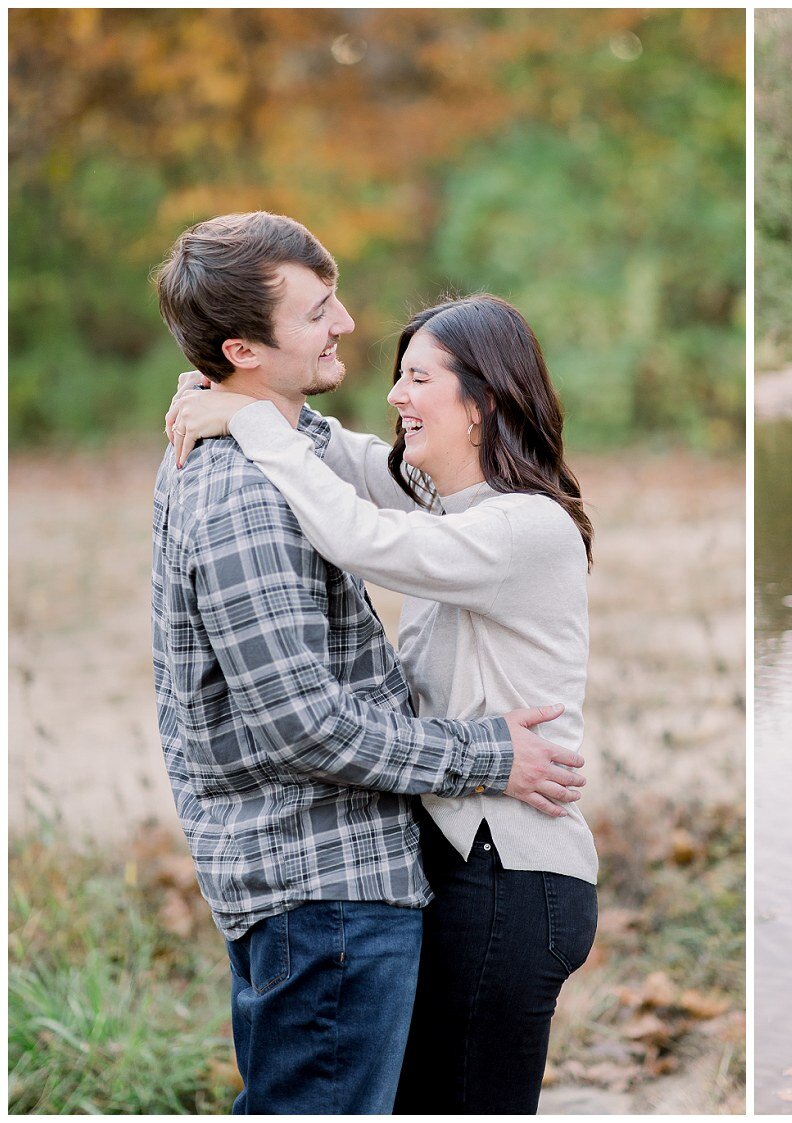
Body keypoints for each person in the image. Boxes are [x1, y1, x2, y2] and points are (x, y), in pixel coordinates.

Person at [151, 212, 586, 1115]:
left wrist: (253, 413)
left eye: (418, 378)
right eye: (321, 311)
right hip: (450, 854)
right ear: (246, 344)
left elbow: (361, 527)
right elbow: (349, 463)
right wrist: (242, 405)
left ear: (483, 401)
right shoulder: (451, 506)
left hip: (510, 858)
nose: (393, 390)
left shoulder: (519, 527)